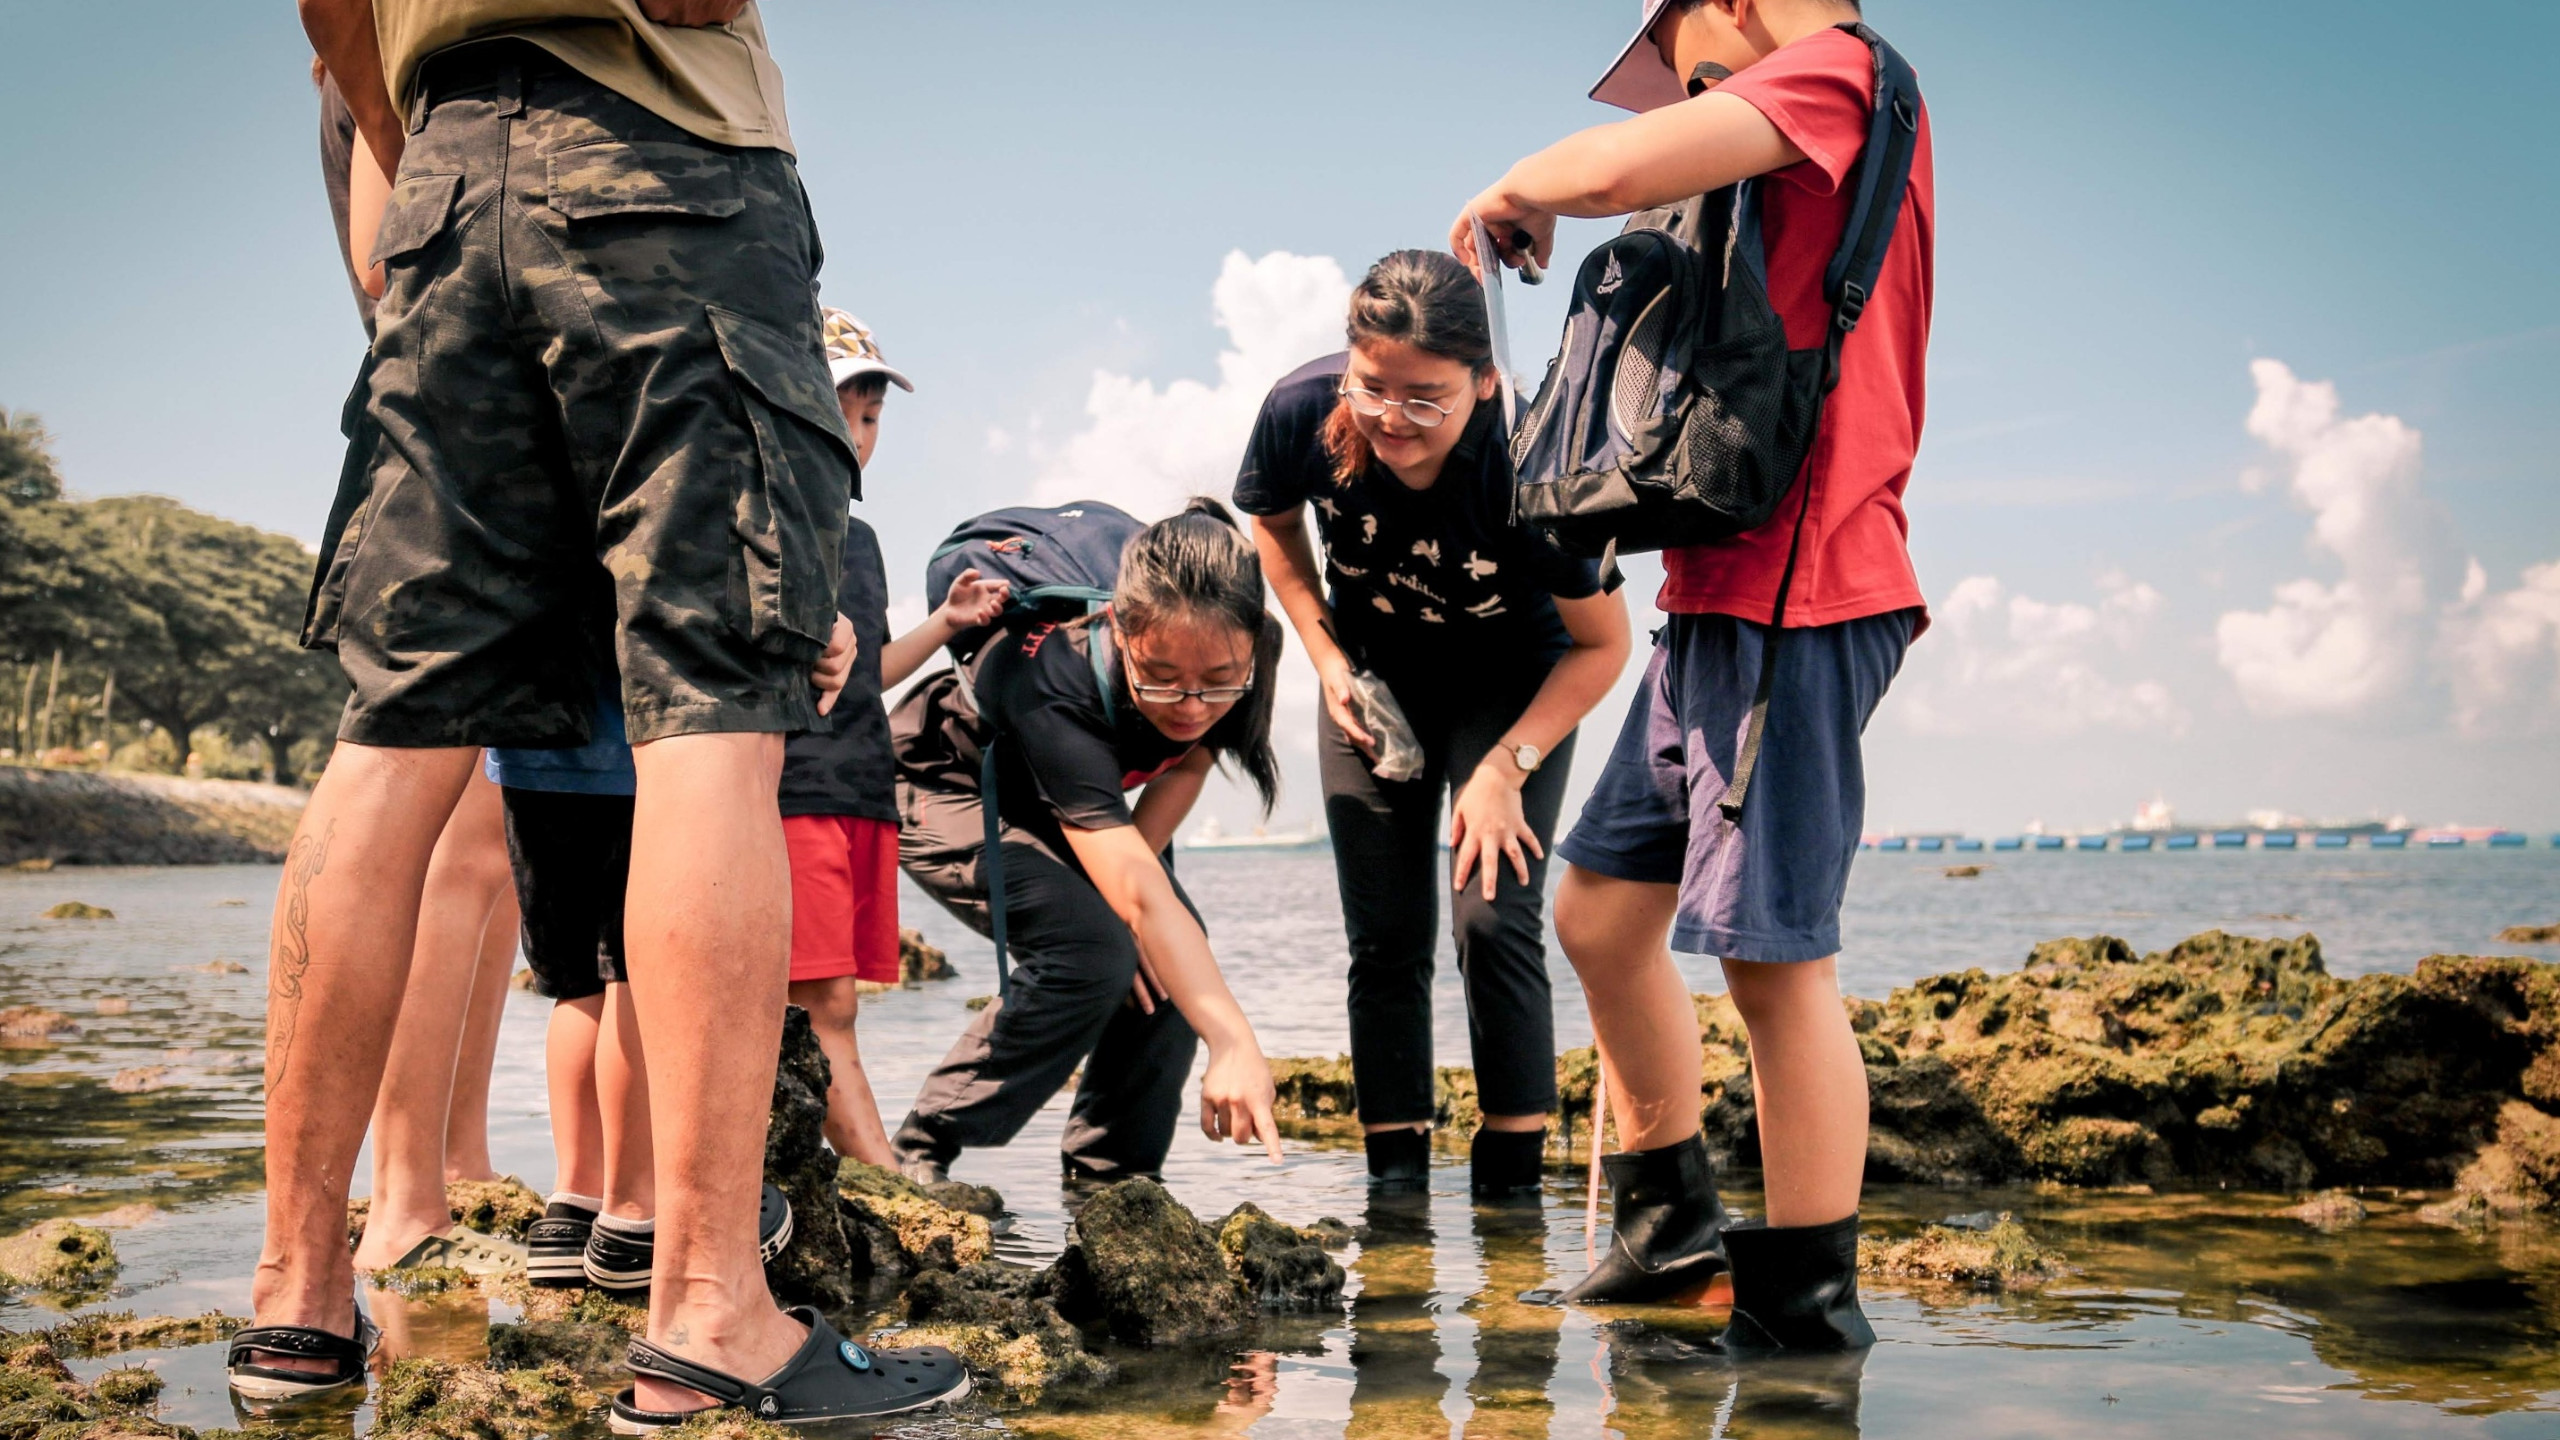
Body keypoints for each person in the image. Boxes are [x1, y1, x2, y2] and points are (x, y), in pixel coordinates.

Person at [242, 2, 967, 1426]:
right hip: (663, 156)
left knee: (390, 736)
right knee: (713, 714)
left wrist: (410, 140)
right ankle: (707, 1310)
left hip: (438, 183)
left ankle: (294, 1296)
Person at [1449, 0, 1932, 1349]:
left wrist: (1511, 189)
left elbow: (1608, 176)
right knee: (1601, 909)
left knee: (1777, 966)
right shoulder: (1795, 109)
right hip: (1718, 604)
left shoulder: (1840, 72)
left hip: (1807, 594)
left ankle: (1809, 1307)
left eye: (1685, 58)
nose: (1684, 88)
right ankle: (1671, 1235)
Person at [1234, 252, 1629, 1199]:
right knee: (1386, 936)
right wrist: (1329, 661)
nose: (1393, 421)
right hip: (1375, 677)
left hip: (1516, 679)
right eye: (1375, 390)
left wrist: (1506, 767)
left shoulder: (1538, 460)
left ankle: (1511, 1197)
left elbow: (1604, 648)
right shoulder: (1302, 412)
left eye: (1427, 400)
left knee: (1492, 919)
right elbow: (1274, 529)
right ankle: (1397, 1202)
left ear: (1485, 381)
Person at [889, 500, 1288, 1187]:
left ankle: (1111, 1179)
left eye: (1218, 682)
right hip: (949, 784)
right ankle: (923, 1146)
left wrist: (1145, 911)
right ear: (1120, 628)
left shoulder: (1244, 650)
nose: (1192, 704)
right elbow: (1135, 892)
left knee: (1168, 960)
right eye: (1161, 677)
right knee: (1093, 952)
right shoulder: (1050, 677)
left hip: (1077, 802)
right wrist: (1231, 1038)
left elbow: (1190, 759)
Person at [316, 60, 528, 1281]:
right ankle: (404, 1183)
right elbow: (379, 264)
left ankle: (453, 1150)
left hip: (459, 391)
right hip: (460, 407)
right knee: (454, 825)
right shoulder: (400, 52)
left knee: (492, 839)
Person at [779, 309, 1009, 1167]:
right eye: (842, 407)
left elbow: (865, 668)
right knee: (821, 1003)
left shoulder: (860, 537)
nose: (860, 433)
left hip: (860, 791)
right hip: (794, 791)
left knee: (829, 1000)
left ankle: (827, 1171)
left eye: (872, 416)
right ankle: (882, 1175)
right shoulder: (775, 520)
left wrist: (947, 625)